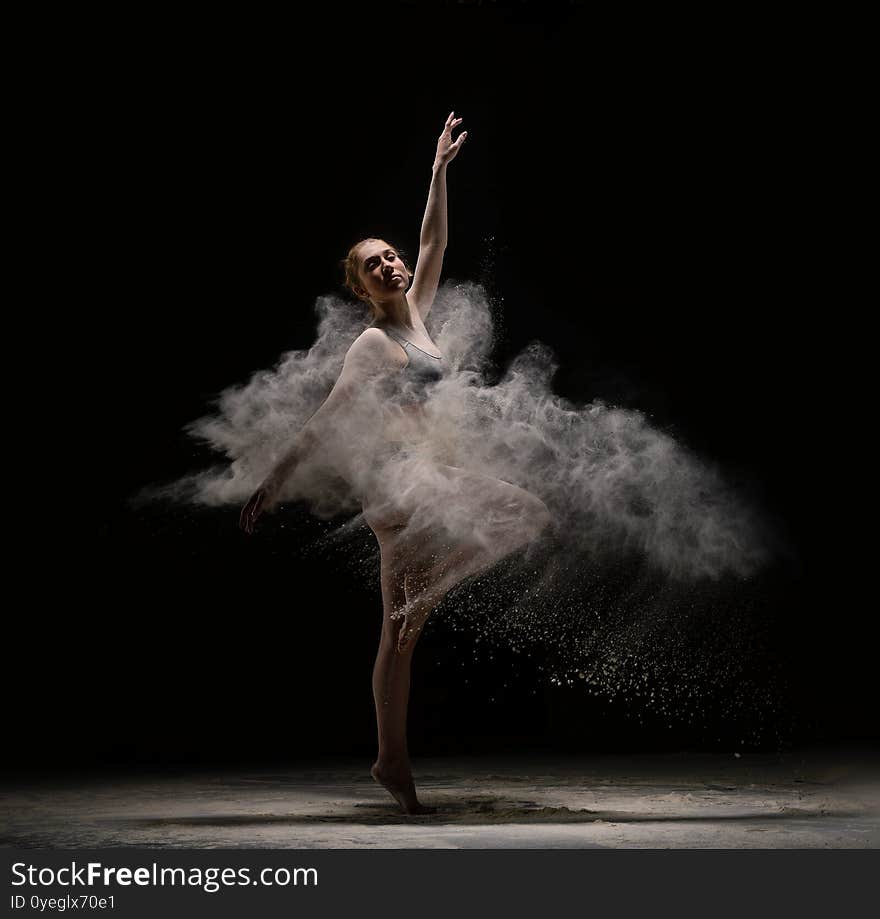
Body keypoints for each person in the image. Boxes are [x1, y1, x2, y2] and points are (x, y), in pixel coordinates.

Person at [239, 112, 554, 814]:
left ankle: (390, 759)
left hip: (418, 490)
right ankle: (421, 617)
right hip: (400, 491)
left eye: (391, 255)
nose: (392, 262)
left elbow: (435, 237)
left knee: (400, 633)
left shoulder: (418, 316)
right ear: (361, 287)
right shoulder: (374, 344)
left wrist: (438, 171)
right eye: (374, 263)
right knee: (519, 517)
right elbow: (324, 423)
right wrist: (272, 481)